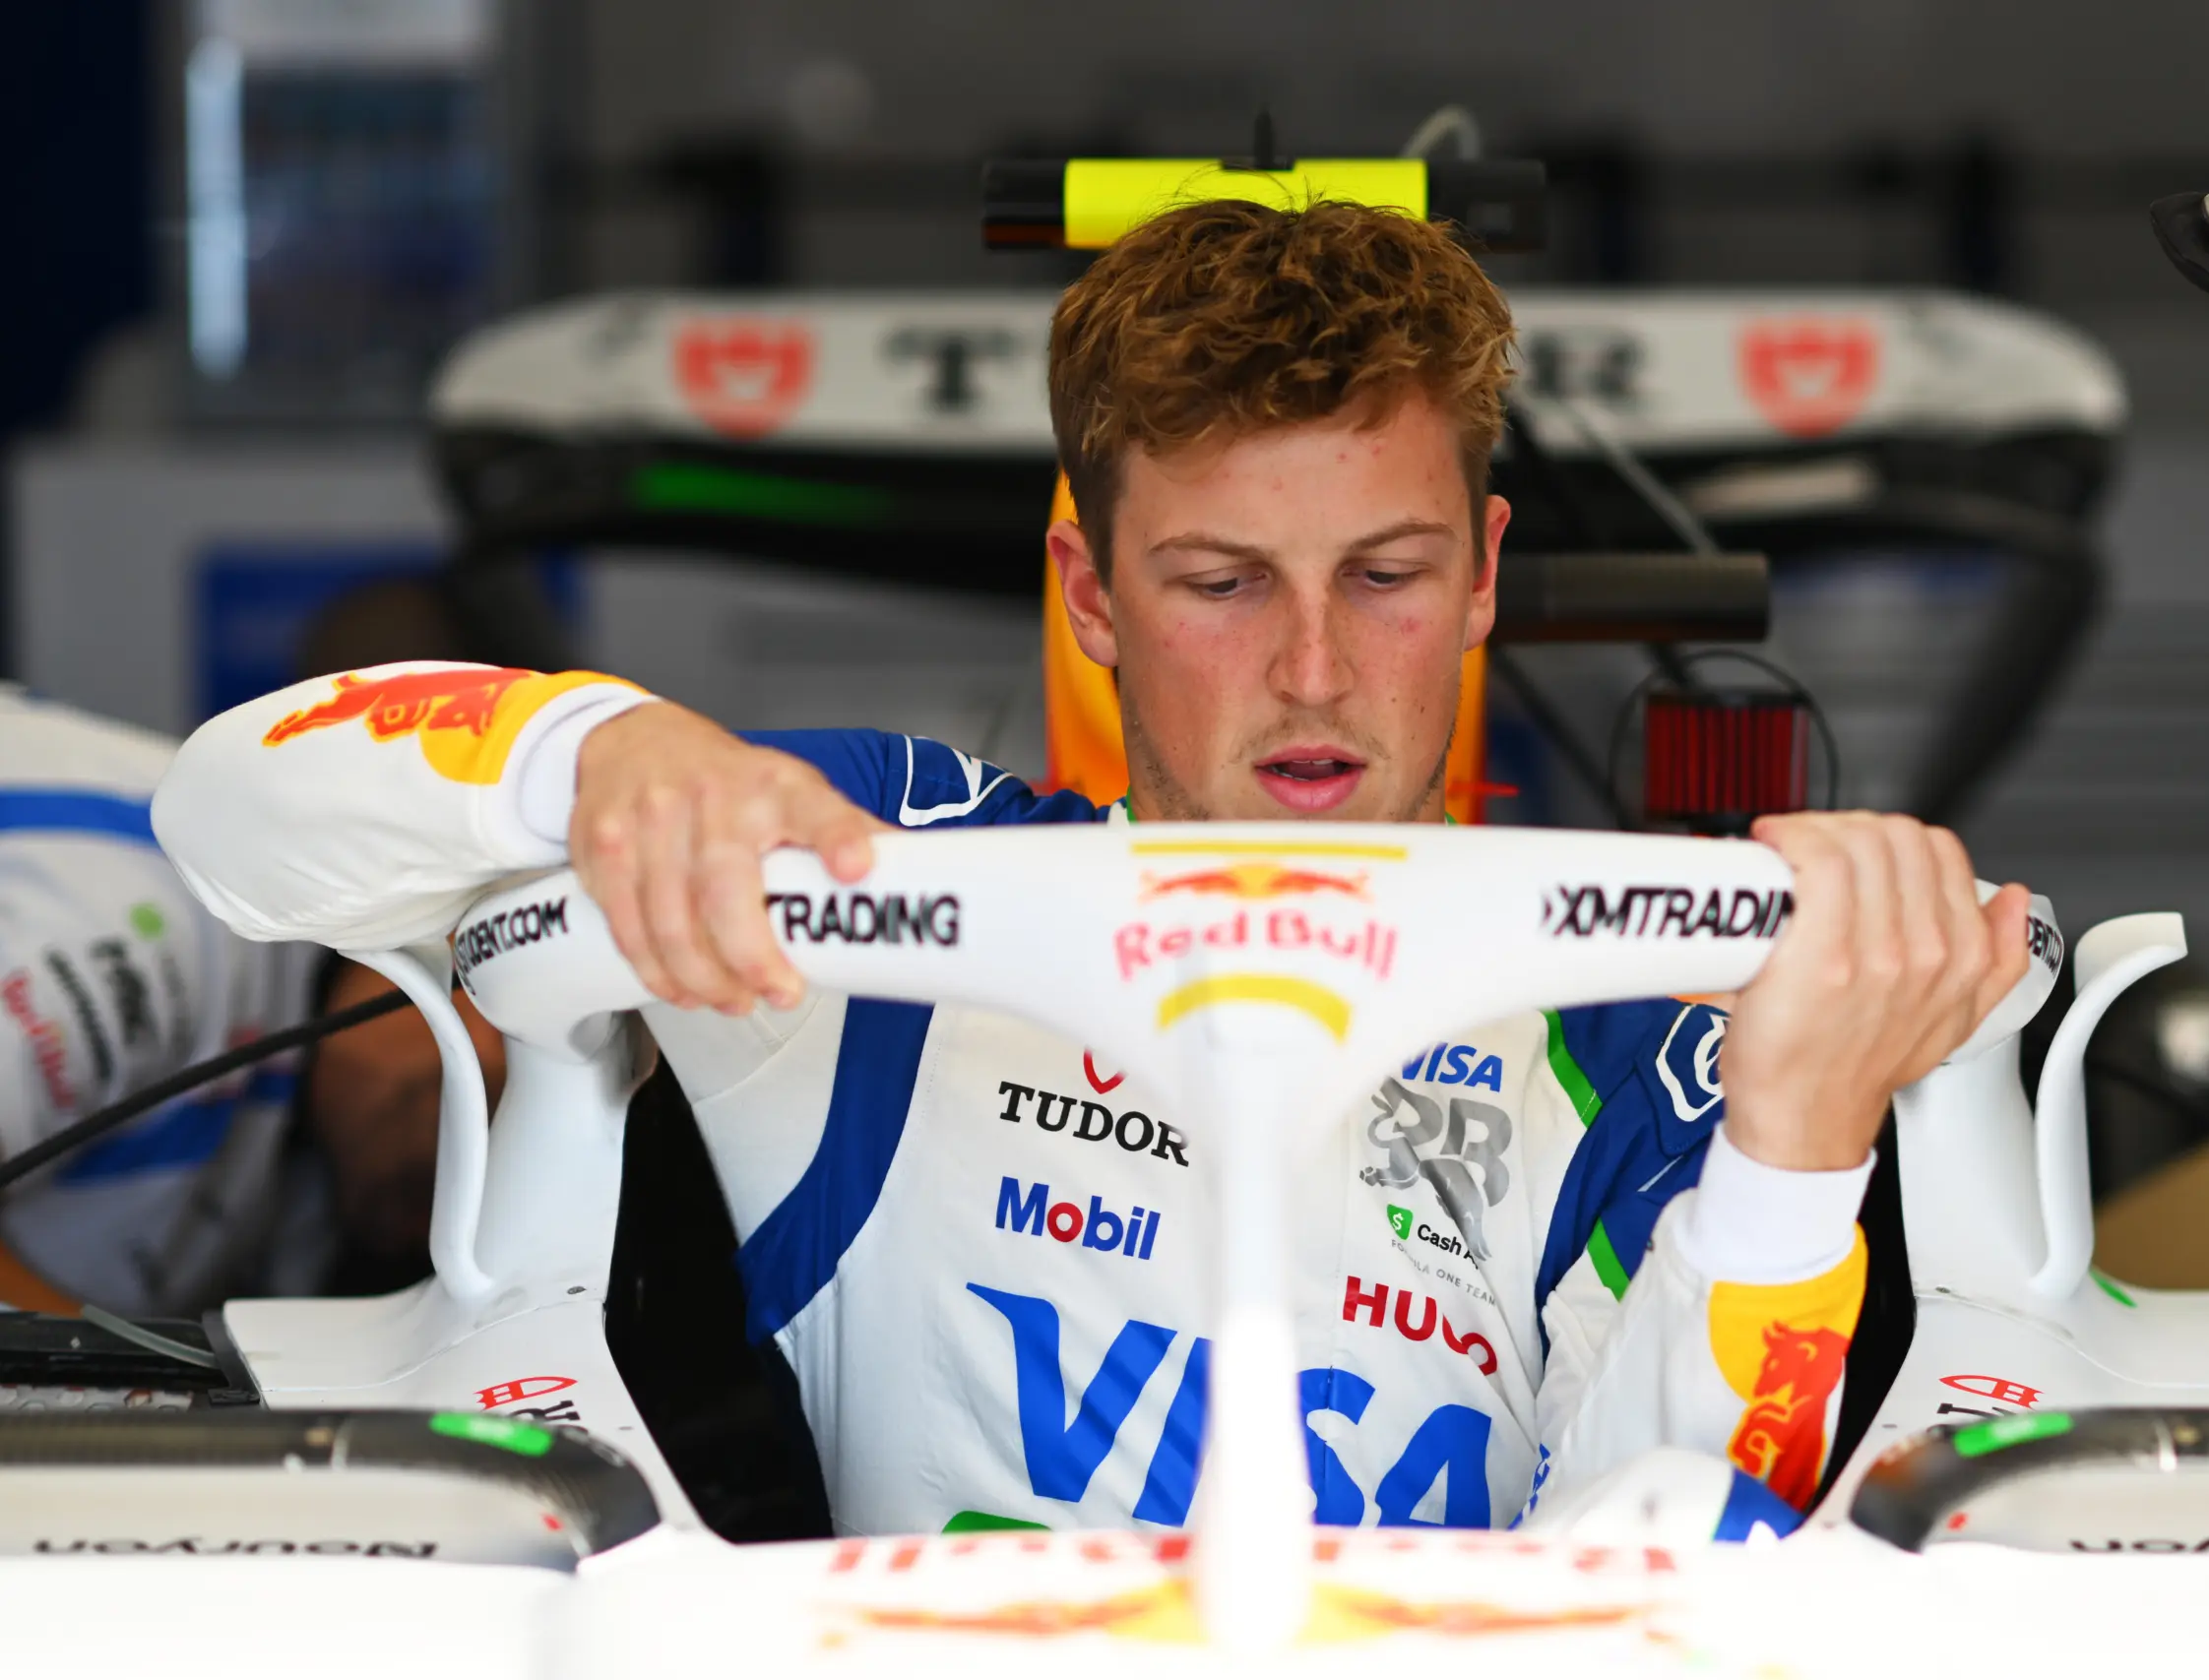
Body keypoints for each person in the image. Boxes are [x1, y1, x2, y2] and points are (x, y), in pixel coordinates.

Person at [154, 199, 2029, 1534]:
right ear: (1092, 593)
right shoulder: (881, 896)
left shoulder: (1634, 1029)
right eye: (1222, 582)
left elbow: (1675, 1565)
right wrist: (603, 753)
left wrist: (1796, 1152)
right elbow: (230, 818)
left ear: (1481, 576)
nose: (1314, 667)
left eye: (1384, 575)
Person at [0, 687, 502, 1317]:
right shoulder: (175, 923)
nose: (430, 1224)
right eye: (501, 1106)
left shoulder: (318, 1169)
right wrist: (124, 1372)